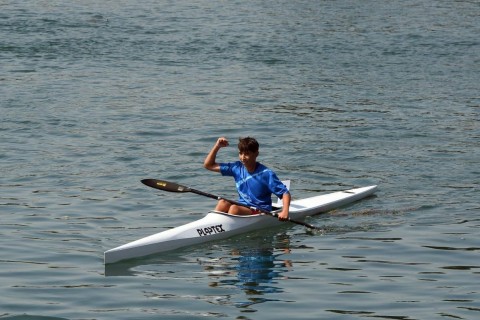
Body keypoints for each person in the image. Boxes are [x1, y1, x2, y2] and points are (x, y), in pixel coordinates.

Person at [204, 137, 291, 221]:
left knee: (234, 209)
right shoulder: (236, 168)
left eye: (247, 154)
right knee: (222, 202)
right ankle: (210, 225)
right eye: (241, 153)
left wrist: (285, 212)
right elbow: (208, 165)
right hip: (243, 207)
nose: (242, 157)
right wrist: (217, 146)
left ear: (256, 154)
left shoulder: (266, 174)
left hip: (261, 210)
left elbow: (285, 193)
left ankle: (225, 228)